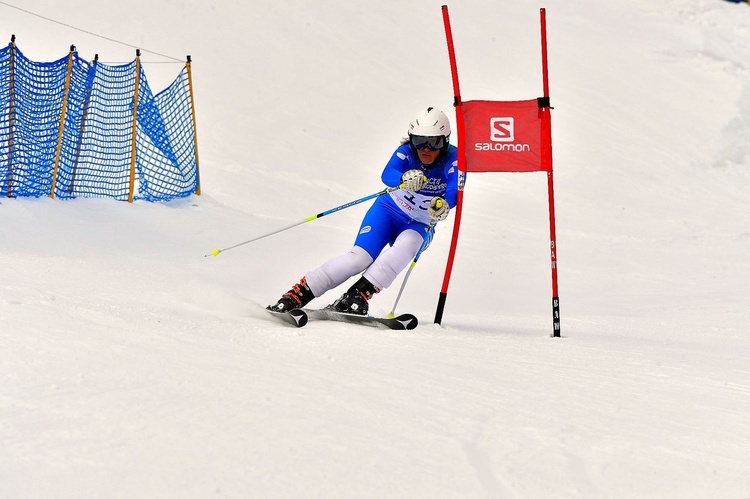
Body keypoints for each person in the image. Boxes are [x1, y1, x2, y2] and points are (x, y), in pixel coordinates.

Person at [268, 107, 459, 316]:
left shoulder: (454, 158)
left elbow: (454, 189)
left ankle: (357, 295)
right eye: (419, 141)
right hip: (389, 211)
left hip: (421, 222)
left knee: (407, 246)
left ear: (446, 140)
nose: (426, 148)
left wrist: (445, 204)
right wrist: (402, 179)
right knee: (359, 258)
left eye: (434, 142)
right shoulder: (405, 152)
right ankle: (297, 294)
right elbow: (388, 173)